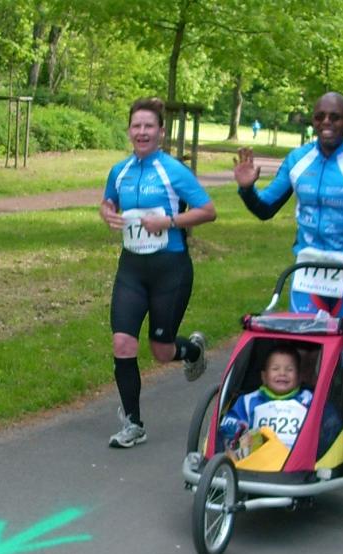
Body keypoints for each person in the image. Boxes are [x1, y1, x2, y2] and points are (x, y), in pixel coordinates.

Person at [233, 91, 343, 396]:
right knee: (304, 354)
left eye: (335, 117)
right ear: (313, 120)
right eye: (320, 116)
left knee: (342, 360)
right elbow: (266, 208)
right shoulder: (299, 160)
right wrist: (247, 190)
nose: (326, 123)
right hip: (307, 270)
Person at [99, 97, 216, 448]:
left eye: (149, 126)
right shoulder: (119, 171)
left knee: (162, 351)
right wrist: (106, 212)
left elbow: (207, 210)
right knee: (123, 343)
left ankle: (191, 351)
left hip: (170, 269)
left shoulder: (173, 170)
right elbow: (108, 201)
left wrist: (170, 221)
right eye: (136, 126)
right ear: (129, 131)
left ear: (161, 132)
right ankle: (133, 423)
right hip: (132, 269)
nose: (142, 132)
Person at [219, 345, 313, 451]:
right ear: (264, 376)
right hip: (257, 456)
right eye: (275, 369)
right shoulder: (248, 401)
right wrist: (238, 430)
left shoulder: (308, 399)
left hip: (298, 456)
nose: (282, 373)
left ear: (299, 377)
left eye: (289, 369)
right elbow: (229, 424)